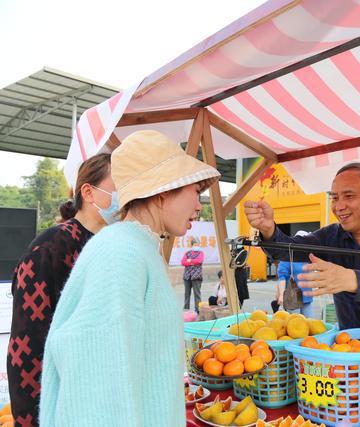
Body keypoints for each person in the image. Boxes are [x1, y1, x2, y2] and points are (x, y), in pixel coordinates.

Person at [40, 130, 220, 426]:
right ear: (164, 190)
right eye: (195, 192)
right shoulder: (120, 252)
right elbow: (100, 391)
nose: (199, 206)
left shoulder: (139, 247)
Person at [244, 162, 360, 332]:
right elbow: (288, 249)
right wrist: (268, 229)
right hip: (349, 351)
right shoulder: (330, 236)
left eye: (349, 196)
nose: (339, 206)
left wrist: (351, 279)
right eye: (335, 198)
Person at [7, 153, 114, 427]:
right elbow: (26, 346)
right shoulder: (51, 246)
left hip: (97, 397)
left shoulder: (110, 245)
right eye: (119, 186)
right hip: (58, 402)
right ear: (88, 192)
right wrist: (32, 419)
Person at [182, 237, 204, 313]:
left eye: (198, 244)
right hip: (187, 276)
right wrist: (194, 262)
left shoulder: (201, 253)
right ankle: (186, 309)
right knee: (187, 294)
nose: (197, 245)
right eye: (195, 244)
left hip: (196, 276)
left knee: (197, 294)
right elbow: (183, 262)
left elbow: (200, 261)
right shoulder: (187, 253)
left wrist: (190, 261)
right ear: (192, 245)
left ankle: (198, 310)